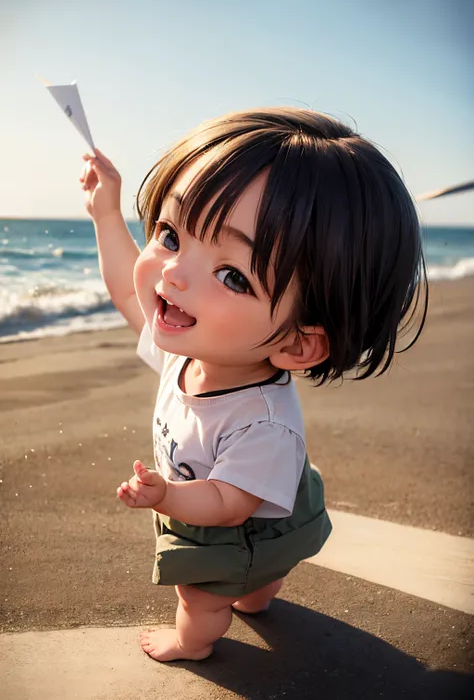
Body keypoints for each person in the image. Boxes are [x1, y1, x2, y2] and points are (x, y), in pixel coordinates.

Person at [80, 107, 428, 663]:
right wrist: (105, 214)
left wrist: (166, 496)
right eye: (171, 234)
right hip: (271, 511)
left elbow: (226, 503)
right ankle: (261, 590)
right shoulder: (195, 349)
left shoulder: (262, 424)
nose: (172, 272)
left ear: (296, 344)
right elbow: (129, 290)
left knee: (198, 595)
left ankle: (193, 645)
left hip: (231, 522)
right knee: (258, 580)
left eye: (231, 275)